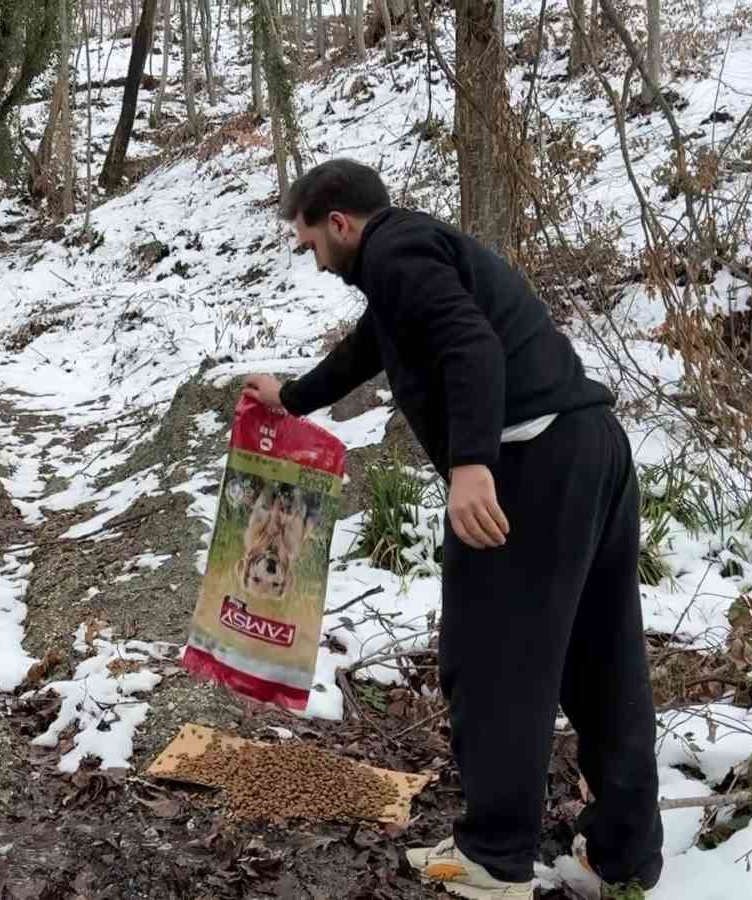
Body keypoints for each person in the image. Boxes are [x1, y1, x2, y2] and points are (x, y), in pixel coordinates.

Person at [241, 159, 664, 900]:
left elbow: (472, 347)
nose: (315, 261)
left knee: (489, 655)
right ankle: (625, 853)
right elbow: (370, 347)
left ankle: (494, 858)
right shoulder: (416, 255)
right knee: (601, 653)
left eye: (311, 244)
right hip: (591, 442)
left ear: (340, 224)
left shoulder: (395, 255)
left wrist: (472, 465)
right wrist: (295, 397)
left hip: (528, 460)